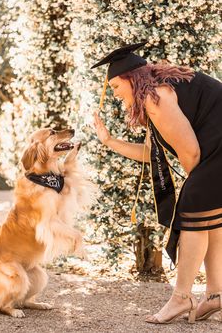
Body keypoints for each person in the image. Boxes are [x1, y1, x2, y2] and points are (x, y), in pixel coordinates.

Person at [91, 42, 222, 324]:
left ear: (130, 78)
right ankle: (214, 295)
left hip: (217, 151)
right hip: (216, 151)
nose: (114, 95)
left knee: (195, 210)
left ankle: (181, 297)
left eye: (114, 87)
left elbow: (191, 153)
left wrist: (195, 189)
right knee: (208, 216)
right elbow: (151, 154)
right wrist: (109, 141)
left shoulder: (156, 97)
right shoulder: (156, 90)